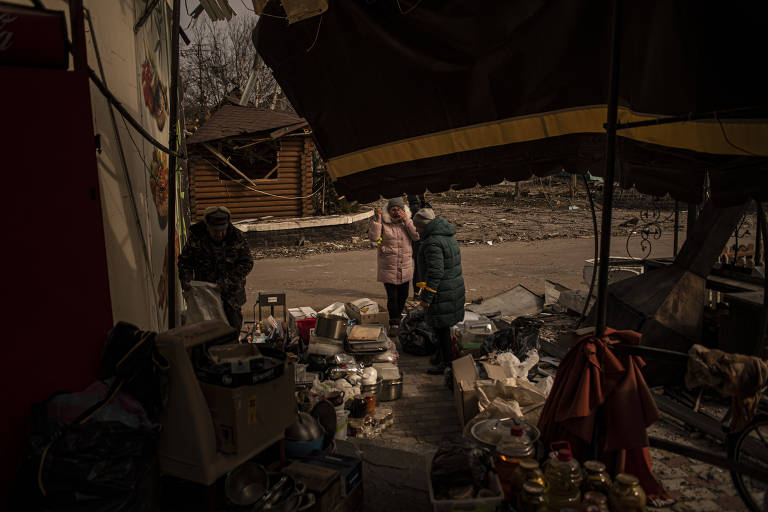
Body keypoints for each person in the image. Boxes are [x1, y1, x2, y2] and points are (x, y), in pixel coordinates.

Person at [178, 205, 254, 331]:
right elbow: (185, 261)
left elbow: (247, 263)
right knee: (205, 332)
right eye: (215, 231)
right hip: (204, 296)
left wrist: (225, 283)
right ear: (207, 227)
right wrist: (186, 279)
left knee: (232, 330)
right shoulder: (197, 237)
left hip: (231, 296)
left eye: (222, 230)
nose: (220, 234)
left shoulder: (237, 237)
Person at [412, 208, 466, 375]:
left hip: (442, 291)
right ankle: (441, 355)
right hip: (452, 288)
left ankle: (446, 363)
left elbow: (436, 272)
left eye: (417, 226)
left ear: (424, 226)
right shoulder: (447, 235)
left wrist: (426, 297)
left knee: (441, 328)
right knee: (443, 327)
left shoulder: (432, 242)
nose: (416, 229)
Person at [368, 197, 420, 335]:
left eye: (399, 209)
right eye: (393, 210)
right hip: (388, 265)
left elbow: (416, 236)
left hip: (405, 265)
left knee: (403, 295)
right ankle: (394, 323)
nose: (396, 212)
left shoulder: (407, 222)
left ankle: (398, 317)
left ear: (404, 211)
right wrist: (378, 219)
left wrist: (407, 221)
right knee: (392, 297)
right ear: (388, 211)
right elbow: (374, 238)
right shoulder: (383, 223)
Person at [407, 194, 432, 298]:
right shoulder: (421, 210)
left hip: (417, 244)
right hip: (420, 242)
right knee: (422, 268)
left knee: (419, 268)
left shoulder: (411, 210)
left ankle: (418, 292)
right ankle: (420, 292)